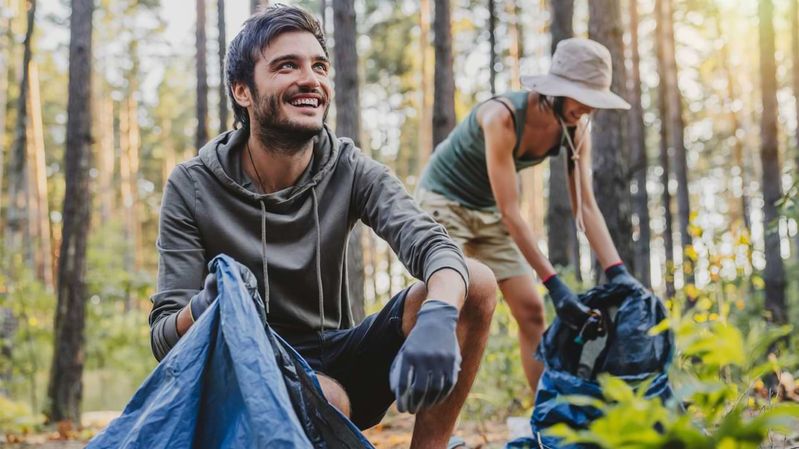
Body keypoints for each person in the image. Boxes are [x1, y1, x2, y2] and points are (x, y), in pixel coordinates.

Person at [148, 5, 497, 448]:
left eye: (319, 66)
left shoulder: (350, 167)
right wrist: (205, 307)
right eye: (286, 66)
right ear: (243, 91)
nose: (310, 79)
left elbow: (432, 245)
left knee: (476, 282)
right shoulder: (192, 185)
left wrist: (439, 314)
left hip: (341, 356)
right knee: (326, 399)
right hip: (248, 373)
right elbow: (163, 339)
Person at [417, 37, 643, 394]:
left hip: (488, 213)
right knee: (453, 304)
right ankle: (433, 418)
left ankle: (544, 415)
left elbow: (586, 206)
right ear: (556, 89)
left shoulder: (574, 129)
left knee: (532, 310)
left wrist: (618, 272)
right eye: (582, 96)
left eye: (594, 100)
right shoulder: (501, 117)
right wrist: (555, 285)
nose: (589, 109)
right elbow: (512, 212)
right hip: (443, 203)